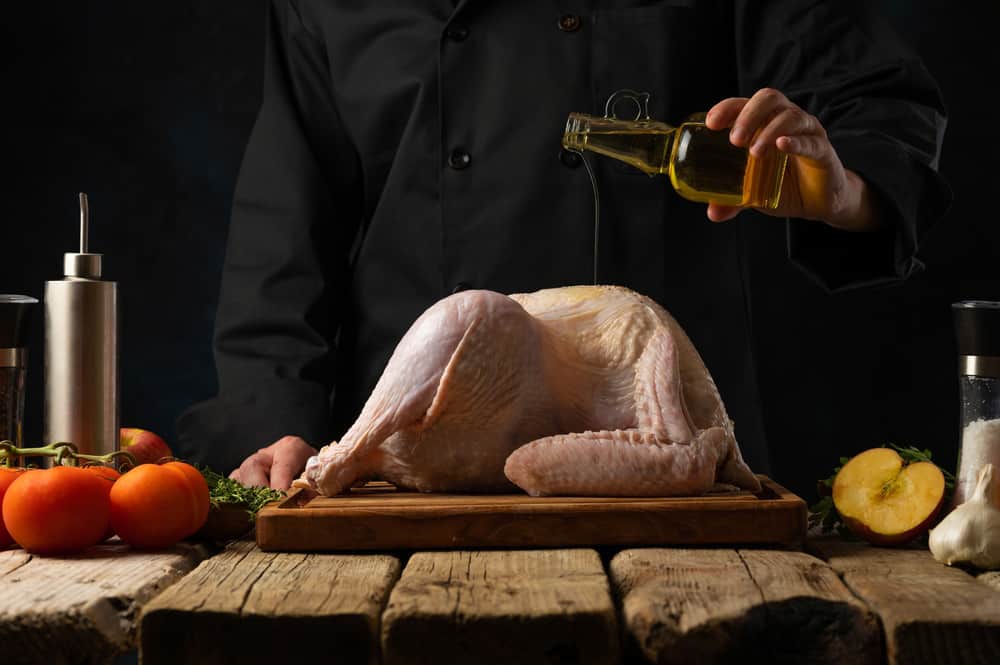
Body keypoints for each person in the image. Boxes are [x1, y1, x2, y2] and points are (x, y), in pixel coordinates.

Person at [176, 0, 951, 489]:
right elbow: (285, 232)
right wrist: (273, 418)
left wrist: (840, 186)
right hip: (409, 469)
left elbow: (881, 108)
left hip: (661, 455)